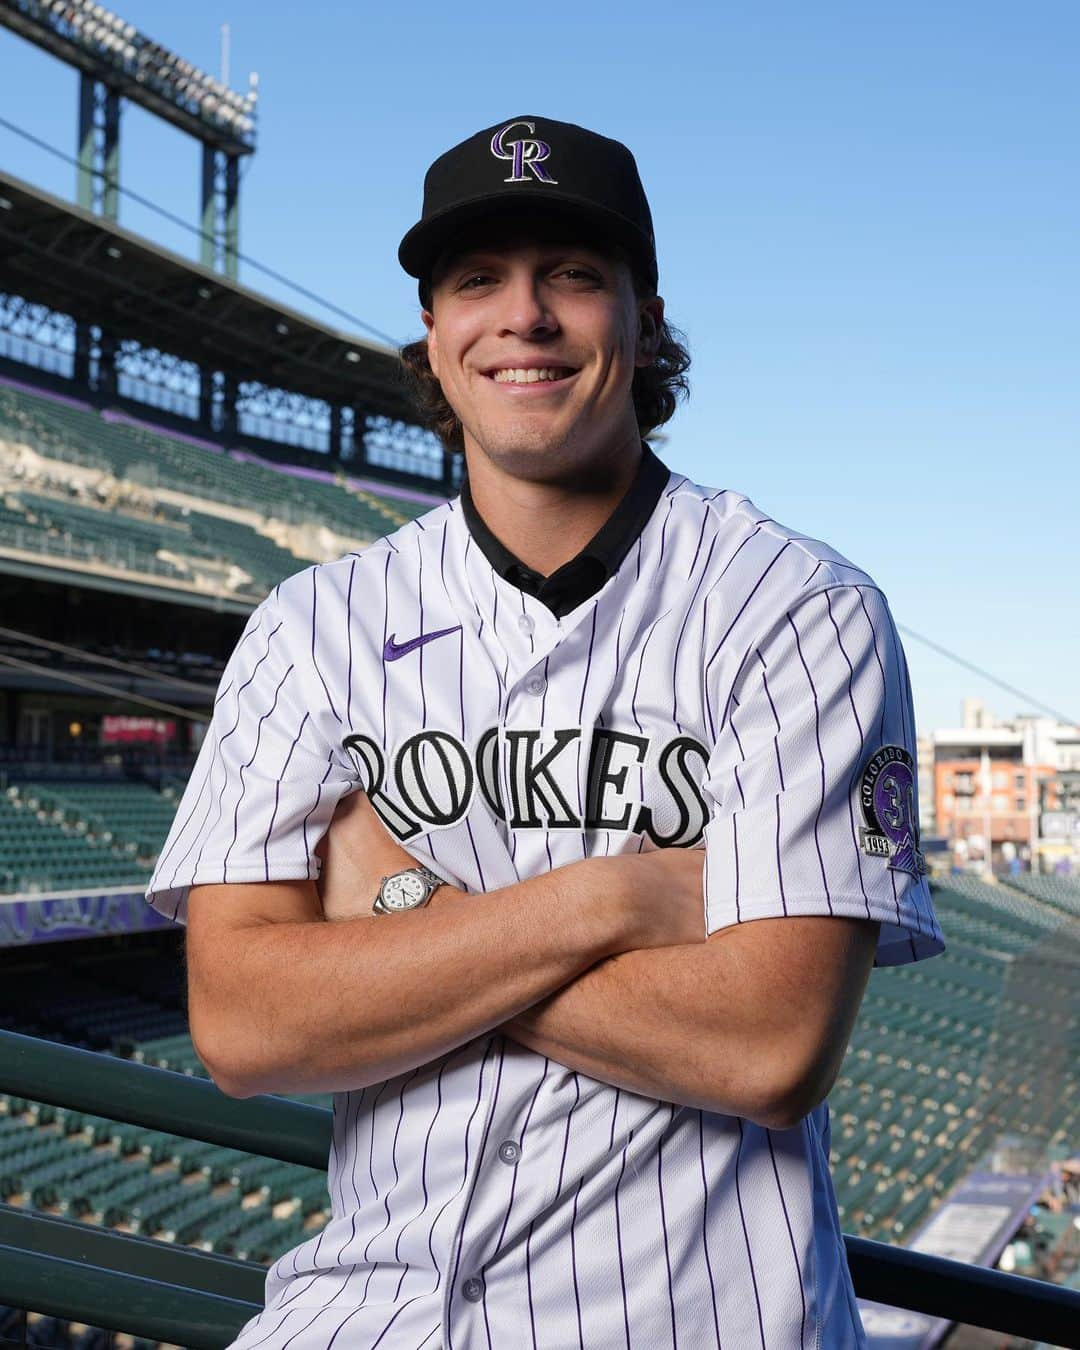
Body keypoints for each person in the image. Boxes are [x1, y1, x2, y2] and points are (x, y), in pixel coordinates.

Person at [147, 114, 945, 1349]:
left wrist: (401, 910)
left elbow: (767, 1045)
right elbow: (245, 1028)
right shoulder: (312, 627)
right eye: (479, 280)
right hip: (357, 1320)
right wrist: (611, 900)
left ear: (646, 316)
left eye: (573, 274)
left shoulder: (799, 610)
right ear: (434, 332)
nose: (524, 315)